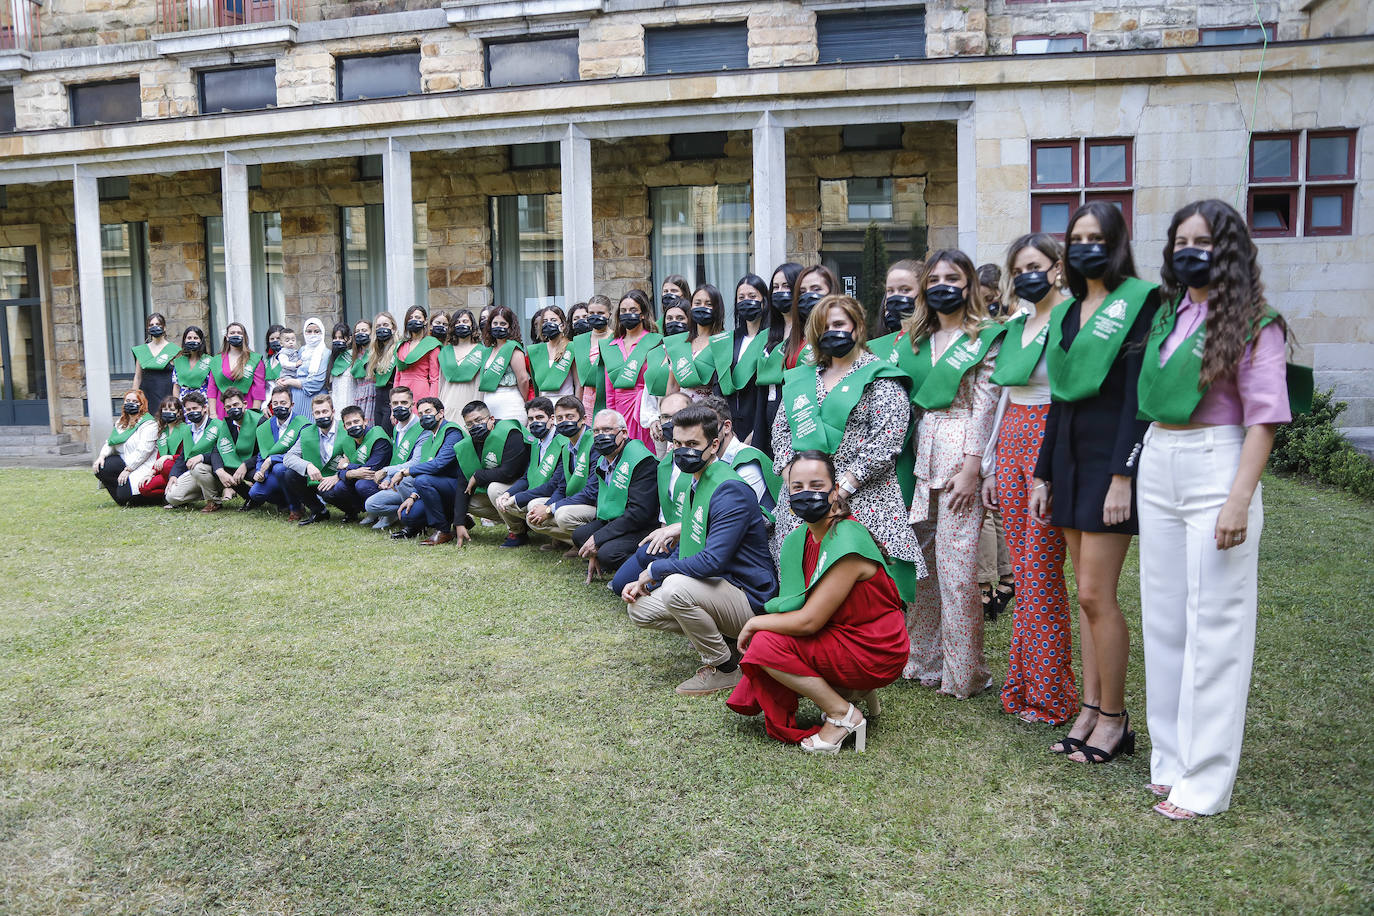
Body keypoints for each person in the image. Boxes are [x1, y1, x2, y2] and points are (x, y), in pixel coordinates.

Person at [1136, 199, 1303, 819]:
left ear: (1228, 249)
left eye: (1203, 241)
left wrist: (1239, 498)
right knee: (1166, 620)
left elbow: (1264, 419)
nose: (1189, 251)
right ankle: (1171, 761)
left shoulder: (1256, 321)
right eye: (1181, 240)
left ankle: (1205, 782)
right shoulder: (1169, 313)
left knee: (1217, 624)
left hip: (1218, 466)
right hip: (1160, 457)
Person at [1030, 200, 1160, 764]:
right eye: (1076, 238)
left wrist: (1122, 476)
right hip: (1068, 460)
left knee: (1094, 593)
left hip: (1111, 462)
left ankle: (1115, 718)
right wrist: (1042, 473)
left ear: (1117, 243)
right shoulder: (1067, 312)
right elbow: (1059, 397)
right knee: (1085, 598)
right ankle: (1088, 709)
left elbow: (1139, 397)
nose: (1086, 247)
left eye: (1096, 237)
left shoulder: (1141, 303)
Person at [726, 451, 909, 751]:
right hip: (846, 632)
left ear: (835, 491)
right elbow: (794, 606)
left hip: (876, 647)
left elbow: (809, 621)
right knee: (775, 635)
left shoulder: (847, 540)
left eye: (816, 485)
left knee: (764, 643)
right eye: (797, 488)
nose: (806, 494)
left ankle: (842, 713)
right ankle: (852, 692)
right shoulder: (800, 538)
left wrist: (754, 622)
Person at [897, 250, 1004, 700]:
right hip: (922, 455)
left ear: (969, 285)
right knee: (923, 570)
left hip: (961, 455)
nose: (943, 284)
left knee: (958, 572)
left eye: (953, 277)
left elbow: (987, 403)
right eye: (934, 277)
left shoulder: (984, 338)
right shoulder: (914, 340)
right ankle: (923, 659)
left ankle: (964, 673)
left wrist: (973, 468)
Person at [770, 294, 924, 605]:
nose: (831, 332)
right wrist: (792, 477)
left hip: (862, 496)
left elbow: (887, 440)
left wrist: (842, 488)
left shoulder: (879, 377)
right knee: (802, 579)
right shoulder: (802, 380)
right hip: (803, 494)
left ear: (857, 327)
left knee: (861, 594)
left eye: (839, 324)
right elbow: (781, 432)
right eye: (823, 327)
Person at [981, 233, 1078, 726]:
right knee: (1025, 571)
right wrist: (992, 464)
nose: (1027, 277)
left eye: (1036, 266)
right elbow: (1002, 396)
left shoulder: (1072, 319)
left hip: (1050, 440)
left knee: (1042, 574)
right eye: (1018, 270)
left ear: (1058, 267)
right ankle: (1023, 687)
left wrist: (1051, 468)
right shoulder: (1016, 324)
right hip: (1013, 438)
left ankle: (1051, 696)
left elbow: (1070, 396)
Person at [622, 404, 777, 695]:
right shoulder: (695, 480)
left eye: (692, 444)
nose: (682, 451)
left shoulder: (729, 487)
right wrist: (647, 580)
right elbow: (692, 547)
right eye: (677, 444)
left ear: (714, 444)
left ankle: (725, 668)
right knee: (640, 609)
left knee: (675, 588)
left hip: (749, 597)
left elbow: (712, 562)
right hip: (716, 589)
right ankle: (727, 640)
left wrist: (653, 570)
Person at [566, 408, 660, 581]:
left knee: (608, 553)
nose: (601, 435)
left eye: (607, 430)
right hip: (617, 519)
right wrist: (596, 540)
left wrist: (599, 538)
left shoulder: (642, 461)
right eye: (596, 431)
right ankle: (605, 559)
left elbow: (639, 514)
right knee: (580, 536)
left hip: (643, 525)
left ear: (624, 433)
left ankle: (645, 572)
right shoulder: (605, 459)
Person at [455, 399, 532, 547]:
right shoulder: (470, 443)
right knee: (471, 502)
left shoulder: (510, 432)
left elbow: (510, 472)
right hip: (506, 491)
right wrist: (459, 522)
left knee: (494, 489)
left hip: (524, 485)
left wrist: (478, 476)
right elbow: (462, 483)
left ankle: (517, 532)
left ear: (491, 419)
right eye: (470, 424)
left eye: (478, 420)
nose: (475, 426)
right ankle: (520, 522)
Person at [524, 396, 597, 547]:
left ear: (583, 419)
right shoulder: (566, 446)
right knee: (534, 510)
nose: (564, 421)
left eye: (570, 416)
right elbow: (563, 487)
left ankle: (590, 545)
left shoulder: (594, 443)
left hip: (595, 505)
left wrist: (550, 508)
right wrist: (545, 508)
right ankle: (575, 544)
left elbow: (592, 492)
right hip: (576, 501)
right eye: (560, 418)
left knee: (563, 515)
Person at [393, 397, 466, 545]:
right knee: (409, 517)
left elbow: (439, 464)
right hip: (440, 485)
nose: (424, 416)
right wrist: (412, 496)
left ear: (440, 413)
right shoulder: (429, 439)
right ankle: (458, 519)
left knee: (422, 480)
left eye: (428, 411)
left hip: (459, 486)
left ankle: (443, 531)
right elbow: (426, 468)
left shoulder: (452, 431)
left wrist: (404, 471)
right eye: (420, 414)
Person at [491, 397, 561, 547]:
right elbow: (527, 477)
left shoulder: (562, 442)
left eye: (540, 417)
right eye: (531, 419)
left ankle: (566, 540)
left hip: (555, 494)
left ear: (552, 419)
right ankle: (518, 533)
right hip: (536, 490)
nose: (535, 422)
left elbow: (554, 484)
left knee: (532, 504)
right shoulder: (536, 441)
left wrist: (517, 499)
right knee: (496, 491)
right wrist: (508, 494)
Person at [750, 262, 803, 456]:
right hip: (766, 409)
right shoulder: (768, 335)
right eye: (776, 287)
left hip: (793, 412)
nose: (780, 292)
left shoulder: (808, 335)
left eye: (786, 286)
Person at [599, 290, 662, 452]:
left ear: (643, 314)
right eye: (623, 311)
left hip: (645, 409)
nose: (628, 314)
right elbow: (609, 390)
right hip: (620, 409)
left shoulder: (654, 341)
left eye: (633, 310)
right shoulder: (611, 345)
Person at [281, 393, 357, 525]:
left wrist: (339, 475)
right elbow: (288, 457)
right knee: (290, 474)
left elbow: (358, 458)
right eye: (317, 412)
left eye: (325, 411)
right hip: (318, 478)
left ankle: (351, 511)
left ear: (333, 412)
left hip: (341, 478)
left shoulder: (346, 429)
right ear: (313, 415)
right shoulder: (307, 433)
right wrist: (308, 466)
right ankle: (319, 511)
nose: (321, 415)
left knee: (331, 492)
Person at [362, 387, 431, 530]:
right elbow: (397, 460)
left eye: (404, 402)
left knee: (403, 482)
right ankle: (396, 513)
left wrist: (387, 471)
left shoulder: (422, 428)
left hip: (414, 481)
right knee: (371, 504)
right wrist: (387, 480)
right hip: (397, 480)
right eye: (395, 403)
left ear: (412, 404)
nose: (400, 406)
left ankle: (415, 518)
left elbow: (416, 462)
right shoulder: (396, 427)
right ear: (391, 406)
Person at [720, 273, 771, 445]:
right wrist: (725, 428)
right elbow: (720, 386)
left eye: (752, 296)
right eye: (741, 297)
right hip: (730, 430)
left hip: (762, 427)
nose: (746, 301)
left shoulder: (772, 339)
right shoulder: (729, 340)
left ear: (764, 300)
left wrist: (757, 431)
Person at [245, 386, 310, 518]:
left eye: (283, 403)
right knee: (255, 493)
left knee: (280, 469)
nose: (279, 406)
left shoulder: (302, 424)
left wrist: (273, 459)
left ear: (292, 405)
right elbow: (262, 455)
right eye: (275, 403)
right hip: (272, 471)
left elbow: (303, 453)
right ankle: (286, 502)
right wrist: (259, 471)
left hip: (296, 471)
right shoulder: (264, 427)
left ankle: (296, 508)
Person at [93, 389, 159, 506]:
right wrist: (101, 456)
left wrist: (128, 470)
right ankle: (122, 496)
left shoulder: (149, 424)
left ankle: (131, 495)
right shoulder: (121, 422)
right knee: (102, 466)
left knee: (127, 494)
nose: (130, 403)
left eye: (135, 401)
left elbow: (144, 451)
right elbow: (111, 442)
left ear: (142, 404)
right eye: (128, 401)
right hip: (124, 460)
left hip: (141, 464)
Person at [164, 391, 227, 511]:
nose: (191, 412)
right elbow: (183, 456)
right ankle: (204, 492)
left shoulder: (218, 426)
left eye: (195, 408)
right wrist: (173, 475)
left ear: (204, 408)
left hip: (215, 472)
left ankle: (214, 501)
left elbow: (224, 454)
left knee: (197, 467)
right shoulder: (187, 430)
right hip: (195, 473)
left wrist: (202, 457)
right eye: (188, 410)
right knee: (171, 497)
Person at [664, 284, 725, 399]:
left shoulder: (723, 341)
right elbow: (673, 385)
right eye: (697, 303)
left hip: (710, 410)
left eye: (708, 304)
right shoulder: (680, 342)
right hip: (682, 409)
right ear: (691, 307)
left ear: (717, 309)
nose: (702, 307)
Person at [476, 305, 531, 422]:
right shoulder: (488, 350)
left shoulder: (514, 349)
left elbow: (523, 379)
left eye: (503, 324)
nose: (498, 327)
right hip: (489, 405)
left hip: (511, 403)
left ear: (510, 326)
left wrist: (523, 400)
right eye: (495, 324)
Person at [209, 388, 262, 504]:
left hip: (257, 464)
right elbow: (217, 449)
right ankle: (250, 499)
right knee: (219, 468)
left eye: (236, 404)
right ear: (225, 409)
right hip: (238, 463)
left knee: (262, 478)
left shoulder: (260, 421)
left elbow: (265, 452)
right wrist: (219, 471)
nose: (233, 409)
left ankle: (281, 502)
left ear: (245, 404)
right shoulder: (227, 424)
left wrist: (246, 465)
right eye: (229, 407)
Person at [868, 260, 923, 362]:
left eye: (905, 290)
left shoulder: (936, 339)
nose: (896, 296)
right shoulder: (874, 348)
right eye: (890, 291)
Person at [207, 321, 266, 417]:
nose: (235, 335)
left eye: (239, 333)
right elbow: (212, 389)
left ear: (244, 337)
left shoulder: (254, 359)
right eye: (232, 333)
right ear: (226, 337)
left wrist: (254, 413)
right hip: (222, 407)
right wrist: (213, 413)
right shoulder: (216, 360)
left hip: (247, 405)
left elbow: (259, 388)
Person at [785, 265, 838, 369]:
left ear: (831, 292)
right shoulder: (797, 336)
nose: (808, 296)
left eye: (816, 289)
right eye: (803, 292)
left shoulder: (839, 334)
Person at [437, 309, 486, 418]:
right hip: (447, 402)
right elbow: (441, 381)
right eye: (458, 322)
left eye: (465, 321)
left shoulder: (481, 351)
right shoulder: (445, 351)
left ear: (472, 325)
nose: (461, 324)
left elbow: (480, 382)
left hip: (470, 401)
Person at [575, 294, 614, 418]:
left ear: (609, 315)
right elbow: (579, 380)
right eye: (591, 313)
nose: (595, 316)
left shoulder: (617, 339)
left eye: (600, 313)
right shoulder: (580, 341)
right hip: (587, 401)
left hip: (609, 397)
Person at [284, 318, 331, 418]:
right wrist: (284, 379)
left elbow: (316, 382)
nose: (312, 334)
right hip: (296, 399)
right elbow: (292, 370)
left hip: (316, 400)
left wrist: (289, 381)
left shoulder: (326, 353)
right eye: (309, 331)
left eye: (316, 331)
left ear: (322, 332)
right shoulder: (302, 350)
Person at [529, 307, 578, 399]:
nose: (549, 323)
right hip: (545, 403)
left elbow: (578, 384)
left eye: (553, 320)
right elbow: (540, 385)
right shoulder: (538, 350)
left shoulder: (571, 347)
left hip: (567, 402)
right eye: (545, 321)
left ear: (562, 325)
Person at [394, 305, 441, 401]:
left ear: (425, 321)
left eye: (418, 317)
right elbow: (397, 376)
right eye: (410, 318)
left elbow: (434, 379)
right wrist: (394, 399)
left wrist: (432, 402)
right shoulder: (401, 345)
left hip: (421, 391)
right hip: (402, 392)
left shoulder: (431, 344)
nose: (413, 320)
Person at [130, 312, 176, 409]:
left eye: (158, 324)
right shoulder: (141, 351)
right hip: (146, 397)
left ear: (164, 327)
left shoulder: (174, 350)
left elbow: (177, 379)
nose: (154, 327)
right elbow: (138, 376)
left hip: (167, 397)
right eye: (151, 325)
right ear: (148, 329)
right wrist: (134, 397)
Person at [367, 311, 400, 429]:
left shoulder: (399, 347)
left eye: (385, 325)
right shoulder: (376, 352)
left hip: (391, 397)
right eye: (378, 326)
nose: (382, 329)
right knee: (379, 434)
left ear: (393, 327)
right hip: (379, 398)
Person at [171, 326, 213, 403]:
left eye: (195, 338)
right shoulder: (179, 361)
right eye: (189, 338)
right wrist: (176, 405)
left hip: (203, 403)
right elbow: (176, 386)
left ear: (201, 341)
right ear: (184, 340)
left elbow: (212, 387)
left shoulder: (209, 361)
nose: (192, 340)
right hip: (183, 403)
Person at [345, 319, 376, 422]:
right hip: (360, 395)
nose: (360, 333)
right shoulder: (354, 355)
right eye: (357, 331)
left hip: (373, 392)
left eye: (364, 330)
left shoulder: (375, 352)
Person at [327, 321, 355, 413]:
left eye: (341, 338)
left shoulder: (353, 356)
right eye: (335, 338)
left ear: (349, 339)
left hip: (351, 398)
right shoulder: (332, 357)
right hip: (337, 400)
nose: (337, 340)